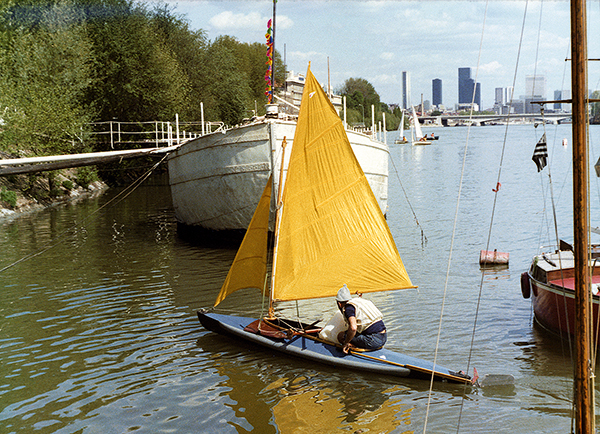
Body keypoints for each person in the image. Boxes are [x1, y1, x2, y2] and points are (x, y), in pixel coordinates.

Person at [335, 284, 387, 354]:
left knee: (341, 335)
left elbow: (353, 328)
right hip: (384, 337)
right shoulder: (360, 301)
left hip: (373, 340)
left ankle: (352, 346)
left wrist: (346, 342)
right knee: (352, 332)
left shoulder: (348, 308)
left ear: (339, 303)